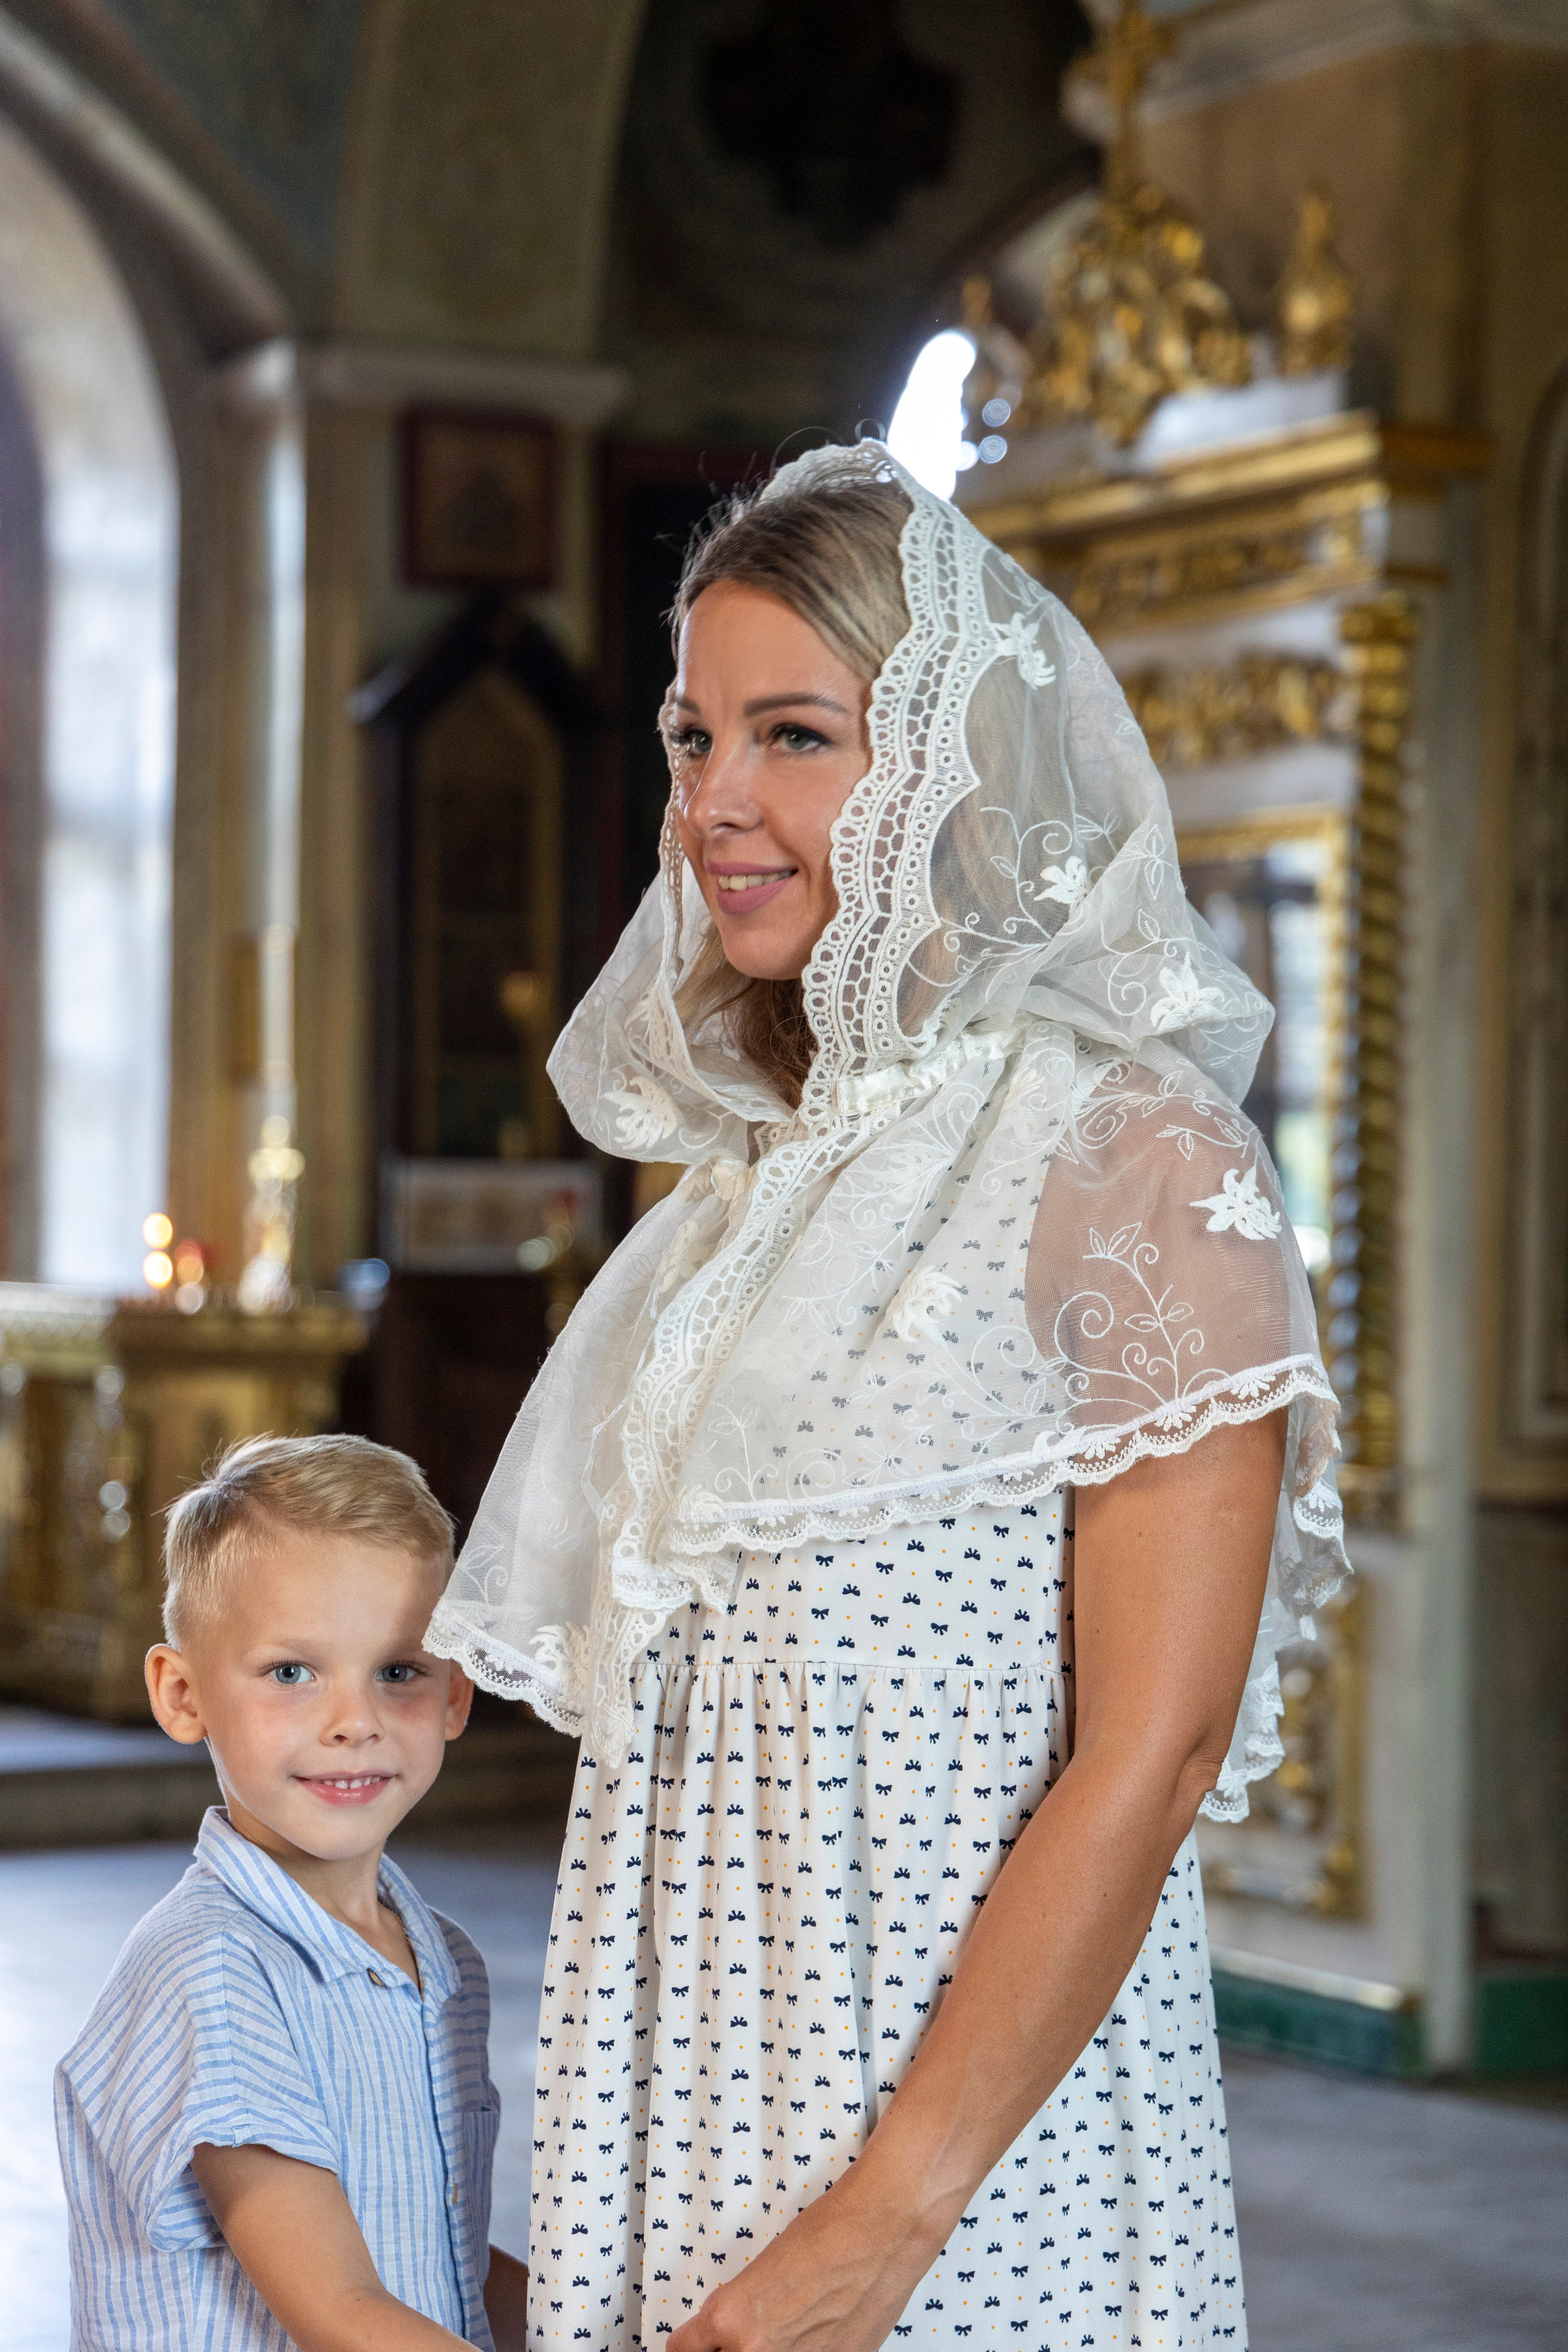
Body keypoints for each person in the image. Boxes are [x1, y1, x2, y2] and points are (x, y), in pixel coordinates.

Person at [428, 440, 1349, 2352]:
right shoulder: (745, 1192)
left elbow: (1150, 1761)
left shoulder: (1130, 1160)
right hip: (687, 2118)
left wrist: (881, 2229)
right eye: (694, 741)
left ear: (948, 759)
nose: (719, 806)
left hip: (953, 2175)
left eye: (797, 737)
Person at [55, 1434, 531, 2352]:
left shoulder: (446, 1961)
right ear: (183, 1694)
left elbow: (443, 2261)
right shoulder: (214, 1969)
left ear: (456, 1697)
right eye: (291, 1673)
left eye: (399, 1672)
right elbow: (340, 2311)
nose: (353, 1722)